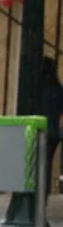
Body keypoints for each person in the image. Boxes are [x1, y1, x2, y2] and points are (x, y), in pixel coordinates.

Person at [41, 57, 63, 197]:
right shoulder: (58, 88)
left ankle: (37, 199)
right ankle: (44, 196)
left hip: (41, 132)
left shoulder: (39, 89)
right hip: (55, 132)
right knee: (46, 165)